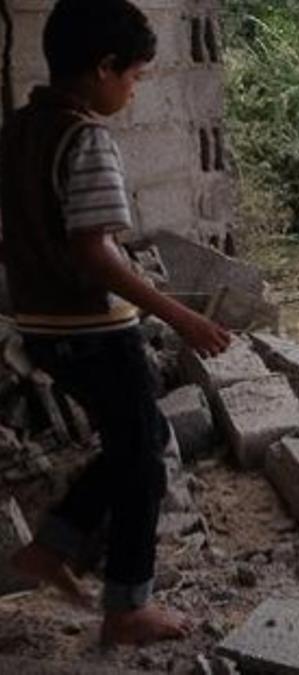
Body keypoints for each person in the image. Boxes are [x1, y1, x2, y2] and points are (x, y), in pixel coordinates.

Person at [1, 0, 231, 645]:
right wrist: (181, 314)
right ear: (103, 68)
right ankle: (127, 605)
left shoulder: (18, 131)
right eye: (133, 77)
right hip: (93, 331)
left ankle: (53, 546)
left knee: (141, 438)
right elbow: (93, 249)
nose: (134, 90)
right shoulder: (86, 138)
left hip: (41, 328)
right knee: (142, 461)